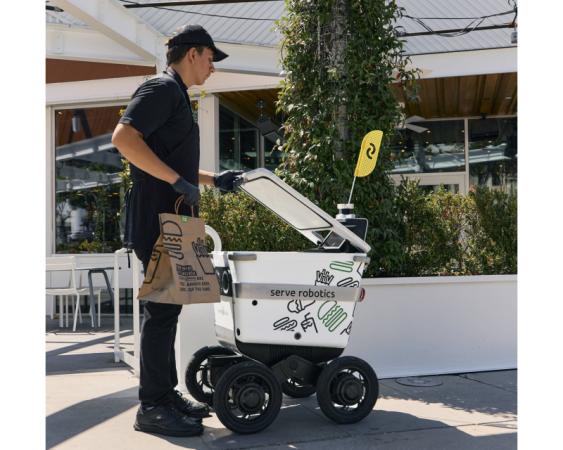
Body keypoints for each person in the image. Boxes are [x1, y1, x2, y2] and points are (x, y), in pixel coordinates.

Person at [112, 25, 242, 437]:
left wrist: (209, 180)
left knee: (170, 311)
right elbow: (123, 138)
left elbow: (175, 167)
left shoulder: (177, 96)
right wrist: (175, 181)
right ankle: (152, 406)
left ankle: (164, 396)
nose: (212, 68)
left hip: (177, 219)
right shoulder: (160, 89)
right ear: (192, 54)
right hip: (159, 219)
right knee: (161, 312)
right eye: (209, 58)